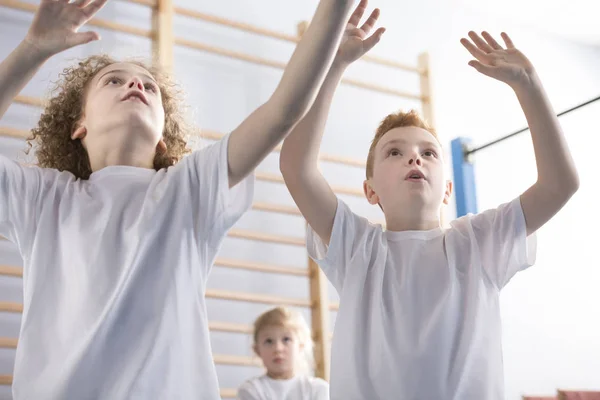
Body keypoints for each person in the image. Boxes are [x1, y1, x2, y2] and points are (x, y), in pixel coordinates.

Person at [0, 0, 356, 398]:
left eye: (150, 87)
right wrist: (31, 50)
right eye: (113, 80)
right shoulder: (43, 198)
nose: (136, 85)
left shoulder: (189, 188)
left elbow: (283, 110)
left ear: (162, 138)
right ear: (78, 124)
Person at [278, 4, 579, 398]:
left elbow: (561, 184)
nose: (414, 158)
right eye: (394, 152)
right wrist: (332, 66)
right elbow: (296, 167)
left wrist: (530, 85)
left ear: (447, 190)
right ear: (371, 191)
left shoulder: (477, 243)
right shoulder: (357, 247)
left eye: (429, 153)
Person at [237, 307, 328, 400]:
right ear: (257, 350)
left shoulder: (318, 388)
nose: (278, 348)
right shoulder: (251, 390)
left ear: (300, 346)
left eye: (286, 339)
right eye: (269, 341)